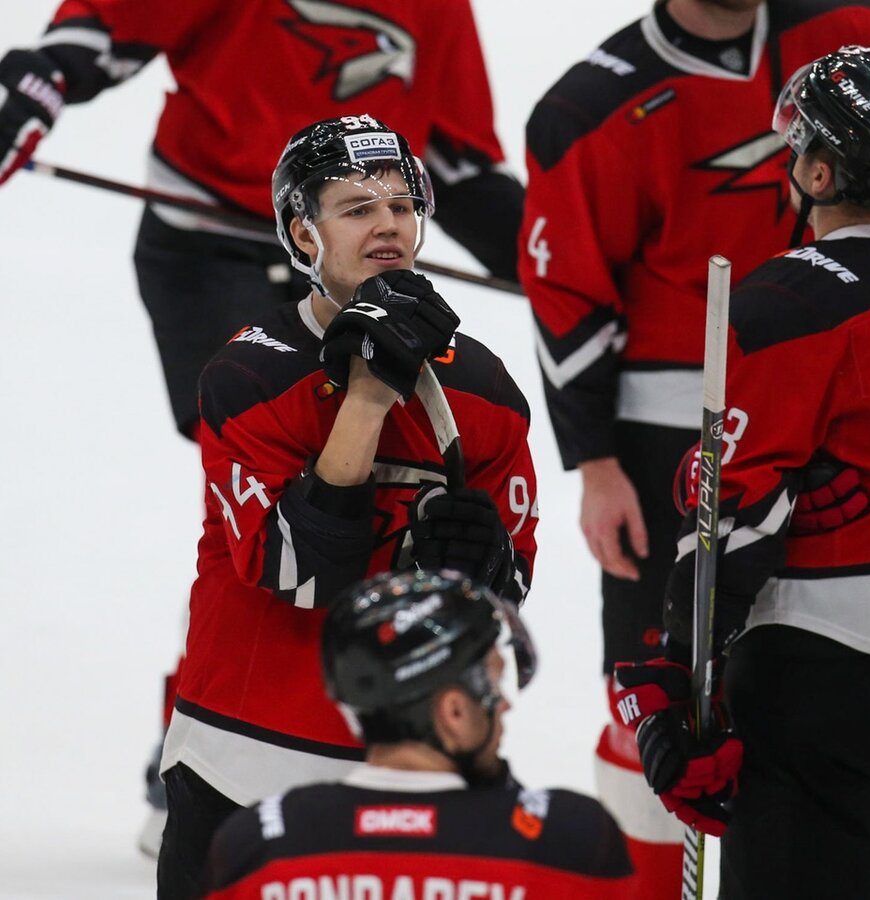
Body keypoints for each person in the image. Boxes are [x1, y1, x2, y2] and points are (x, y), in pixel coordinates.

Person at [0, 0, 524, 855]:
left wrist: (560, 262)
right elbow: (107, 28)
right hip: (211, 238)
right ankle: (210, 733)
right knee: (279, 472)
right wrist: (44, 77)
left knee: (380, 466)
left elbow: (458, 161)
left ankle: (362, 709)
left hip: (361, 247)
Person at [518, 2, 870, 891]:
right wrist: (597, 467)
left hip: (853, 401)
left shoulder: (845, 23)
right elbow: (568, 304)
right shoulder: (588, 110)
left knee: (811, 665)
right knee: (663, 692)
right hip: (674, 431)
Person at [613, 46, 870, 898]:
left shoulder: (786, 303)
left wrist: (675, 666)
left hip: (815, 663)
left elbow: (740, 512)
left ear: (824, 169)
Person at [158, 114, 538, 900]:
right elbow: (299, 573)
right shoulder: (248, 376)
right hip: (240, 761)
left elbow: (507, 596)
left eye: (402, 205)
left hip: (408, 778)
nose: (388, 225)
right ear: (303, 234)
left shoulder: (487, 392)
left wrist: (480, 570)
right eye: (357, 208)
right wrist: (368, 392)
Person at [201, 569, 633, 899]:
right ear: (454, 712)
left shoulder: (256, 847)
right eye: (495, 686)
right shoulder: (571, 842)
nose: (504, 707)